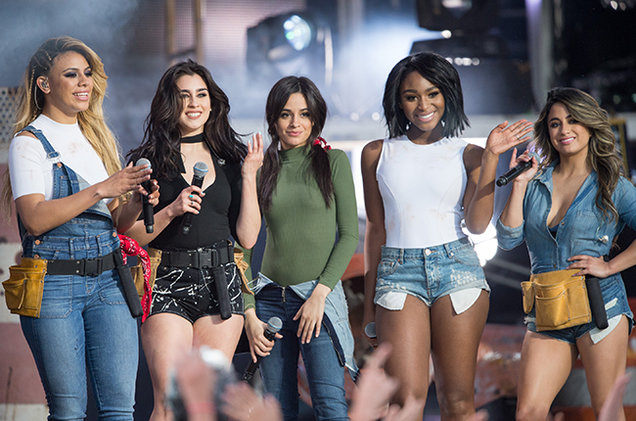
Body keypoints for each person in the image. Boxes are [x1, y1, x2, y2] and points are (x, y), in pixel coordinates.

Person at [361, 51, 533, 419]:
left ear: (447, 95)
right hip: (397, 273)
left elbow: (477, 225)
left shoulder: (469, 154)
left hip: (457, 270)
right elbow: (376, 229)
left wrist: (491, 158)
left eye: (433, 93)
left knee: (458, 401)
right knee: (405, 402)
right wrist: (369, 304)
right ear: (399, 101)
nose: (423, 105)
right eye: (411, 96)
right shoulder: (376, 153)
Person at [2, 36, 156, 420]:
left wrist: (137, 201)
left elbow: (117, 223)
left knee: (120, 409)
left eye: (87, 73)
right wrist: (103, 188)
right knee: (69, 411)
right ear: (44, 83)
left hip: (110, 280)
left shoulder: (96, 138)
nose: (84, 81)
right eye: (71, 74)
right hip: (54, 284)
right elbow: (34, 218)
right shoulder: (28, 142)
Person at [125, 60, 262, 421]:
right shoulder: (150, 161)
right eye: (184, 96)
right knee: (169, 403)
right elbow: (130, 234)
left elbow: (247, 237)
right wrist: (171, 210)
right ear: (170, 103)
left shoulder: (232, 159)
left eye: (201, 94)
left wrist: (249, 176)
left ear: (212, 102)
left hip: (221, 282)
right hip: (167, 280)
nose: (194, 103)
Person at [497, 87, 636, 421]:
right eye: (555, 123)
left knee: (606, 410)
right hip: (547, 312)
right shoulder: (534, 181)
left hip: (601, 308)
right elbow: (507, 238)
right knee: (528, 412)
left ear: (590, 125)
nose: (564, 130)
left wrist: (610, 266)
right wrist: (519, 184)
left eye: (573, 120)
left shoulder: (612, 183)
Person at [242, 76, 359, 421]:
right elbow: (243, 247)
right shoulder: (261, 169)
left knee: (330, 406)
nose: (295, 123)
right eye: (286, 114)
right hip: (268, 302)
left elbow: (349, 235)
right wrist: (249, 313)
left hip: (317, 299)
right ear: (273, 119)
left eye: (304, 114)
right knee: (278, 410)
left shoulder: (334, 162)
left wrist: (320, 295)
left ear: (315, 118)